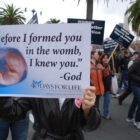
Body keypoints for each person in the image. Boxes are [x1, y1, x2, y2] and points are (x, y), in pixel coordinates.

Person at [0, 86, 101, 140]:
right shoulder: (35, 83)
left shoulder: (83, 82)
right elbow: (12, 112)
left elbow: (92, 126)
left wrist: (87, 110)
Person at [126, 51, 140, 129]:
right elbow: (129, 73)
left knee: (136, 100)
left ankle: (129, 116)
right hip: (135, 84)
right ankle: (137, 121)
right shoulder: (137, 63)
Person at [101, 54, 112, 120]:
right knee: (95, 102)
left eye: (107, 58)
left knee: (107, 101)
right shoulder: (99, 65)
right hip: (100, 86)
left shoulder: (109, 65)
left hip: (107, 86)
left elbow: (109, 76)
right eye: (104, 58)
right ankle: (95, 114)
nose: (105, 59)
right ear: (101, 59)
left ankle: (105, 113)